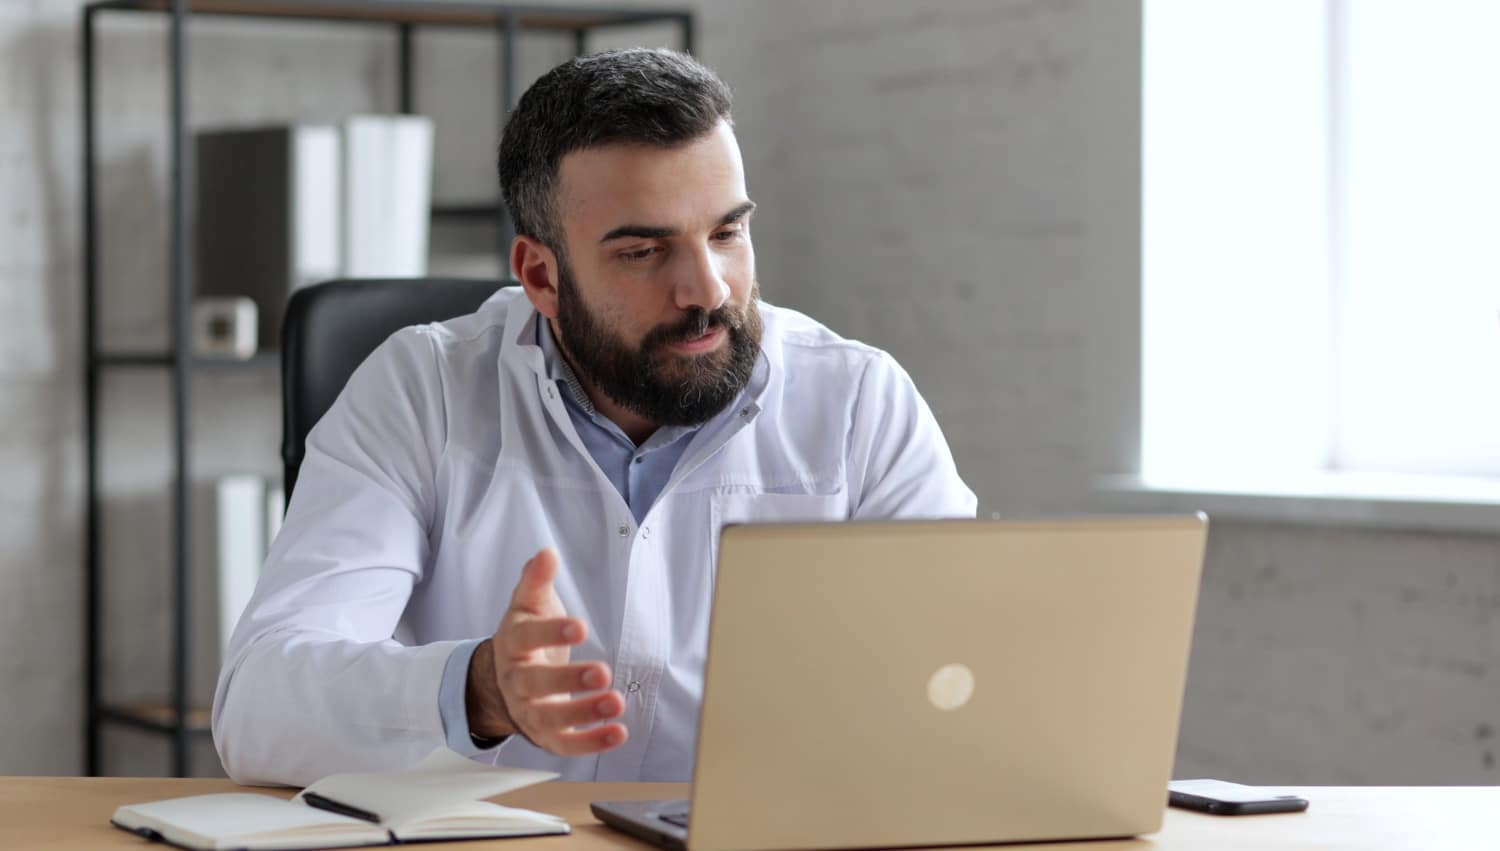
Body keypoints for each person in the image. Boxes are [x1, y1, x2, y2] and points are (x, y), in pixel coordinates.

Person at [212, 48, 975, 787]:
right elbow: (257, 707)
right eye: (645, 251)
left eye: (726, 232)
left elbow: (970, 678)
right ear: (541, 274)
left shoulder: (859, 402)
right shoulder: (423, 389)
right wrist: (478, 689)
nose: (706, 290)